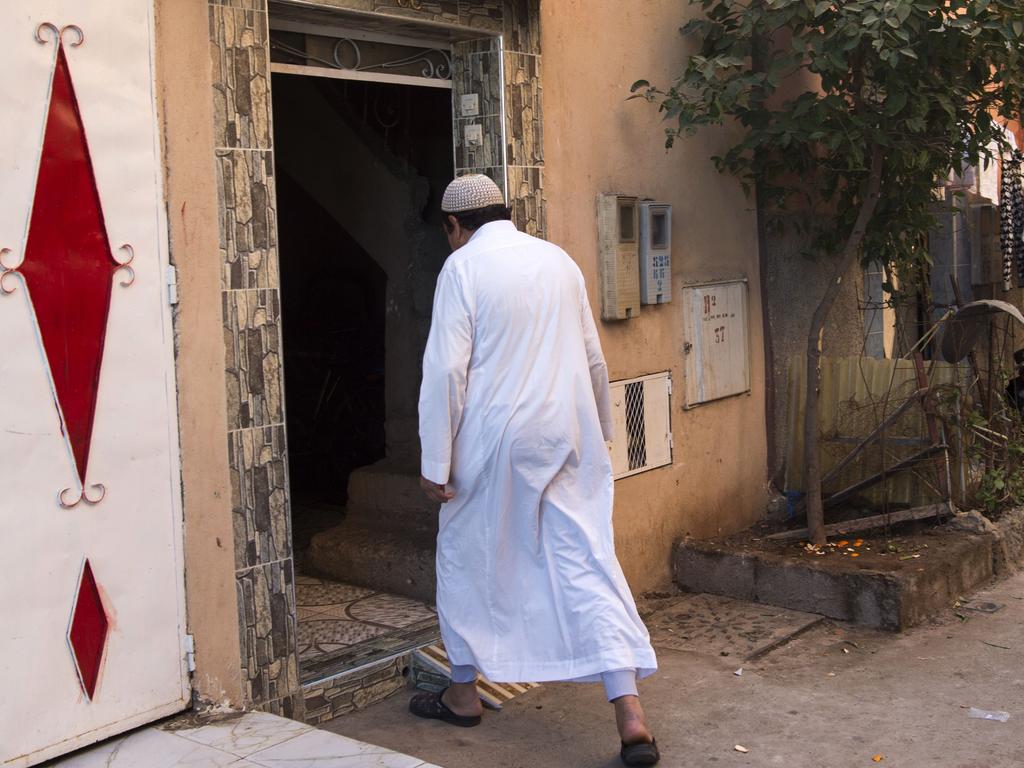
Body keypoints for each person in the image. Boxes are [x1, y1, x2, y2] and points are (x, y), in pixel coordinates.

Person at [411, 174, 660, 766]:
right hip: (568, 433)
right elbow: (594, 357)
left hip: (494, 442)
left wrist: (434, 461)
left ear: (454, 225)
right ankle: (630, 713)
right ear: (506, 212)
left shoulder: (463, 268)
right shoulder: (558, 261)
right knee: (585, 560)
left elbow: (447, 371)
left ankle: (464, 691)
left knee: (469, 557)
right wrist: (602, 435)